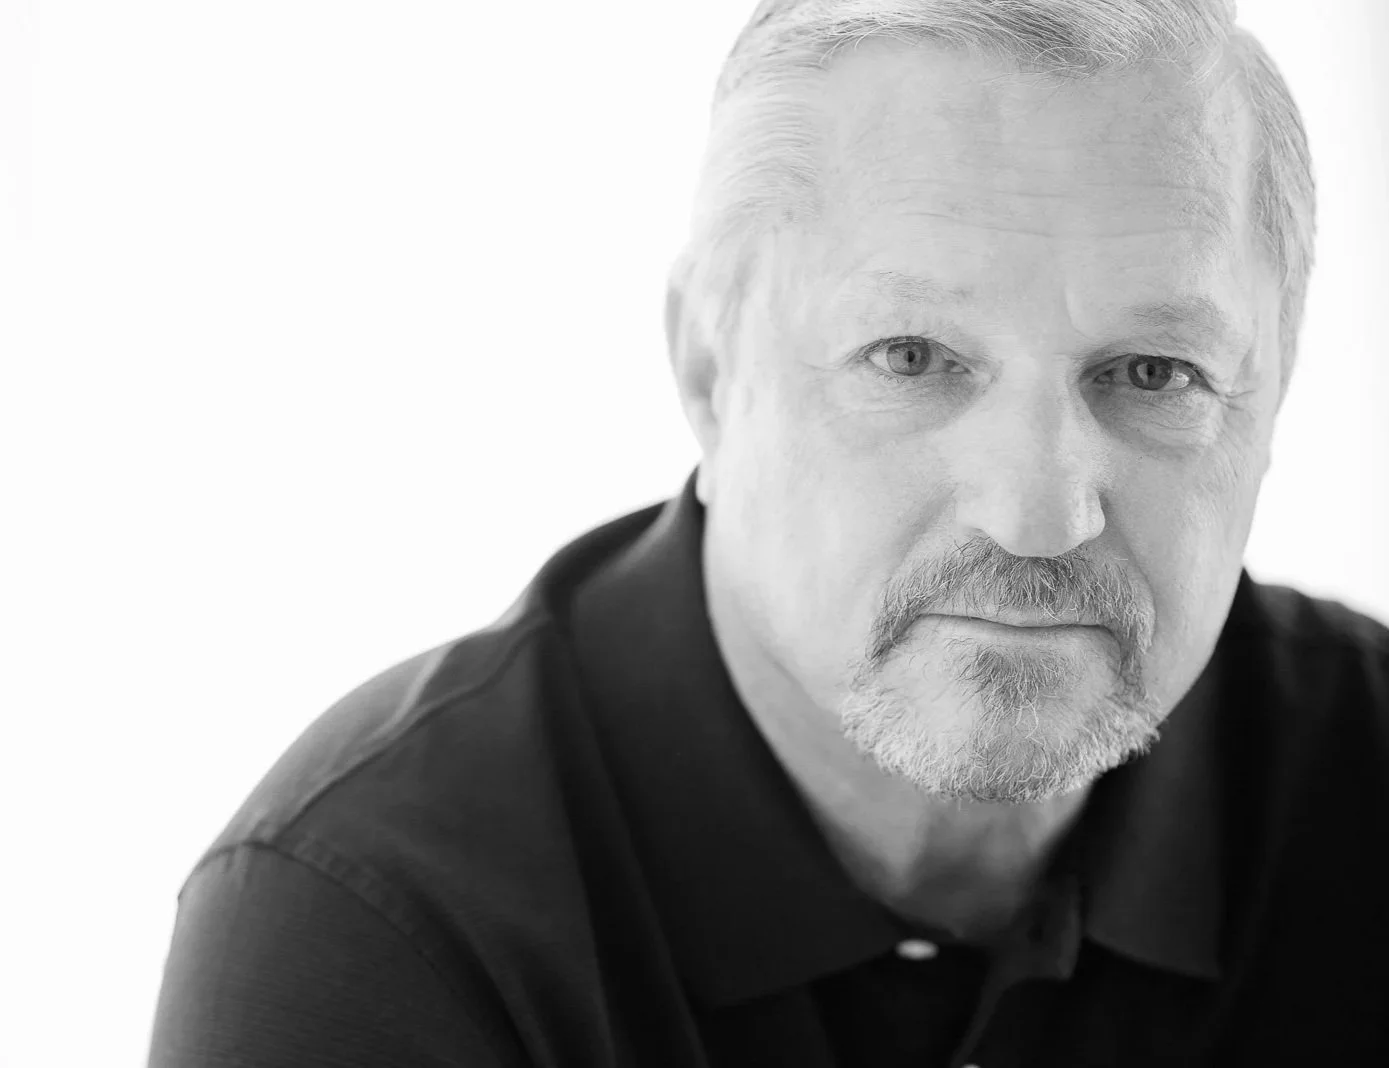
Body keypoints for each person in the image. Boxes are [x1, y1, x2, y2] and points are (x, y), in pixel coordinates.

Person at [147, 2, 1389, 1065]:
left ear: (1273, 399)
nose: (1040, 512)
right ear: (707, 364)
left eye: (1154, 372)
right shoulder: (375, 924)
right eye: (912, 357)